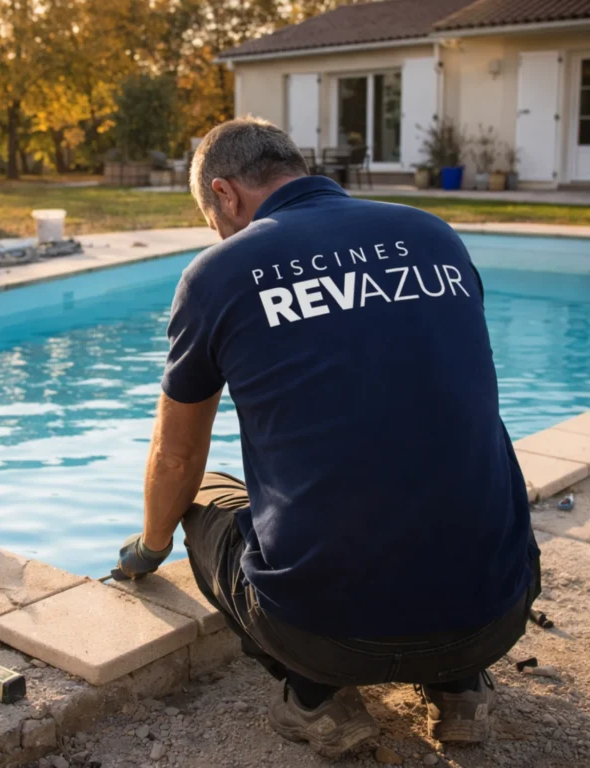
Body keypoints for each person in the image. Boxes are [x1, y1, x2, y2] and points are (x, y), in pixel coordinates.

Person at [114, 117, 540, 758]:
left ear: (226, 195)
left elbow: (175, 456)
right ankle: (459, 685)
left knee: (200, 492)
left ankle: (317, 698)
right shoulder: (433, 234)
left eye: (213, 216)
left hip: (324, 636)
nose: (221, 231)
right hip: (495, 613)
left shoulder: (219, 273)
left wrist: (148, 550)